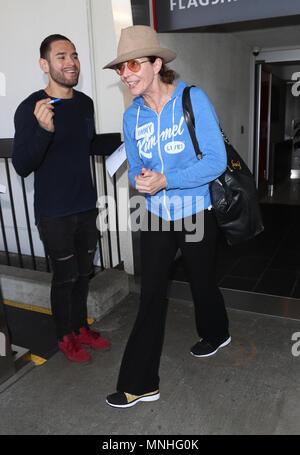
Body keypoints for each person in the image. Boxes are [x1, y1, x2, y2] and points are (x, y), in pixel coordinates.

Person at [103, 25, 231, 408]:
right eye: (120, 69)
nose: (125, 75)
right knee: (151, 295)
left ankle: (216, 331)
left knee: (202, 281)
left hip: (195, 212)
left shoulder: (192, 99)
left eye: (132, 65)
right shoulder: (132, 117)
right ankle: (140, 383)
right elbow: (140, 166)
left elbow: (216, 160)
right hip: (157, 215)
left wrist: (168, 179)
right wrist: (145, 181)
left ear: (157, 64)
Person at [13, 34, 110, 363]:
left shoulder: (85, 104)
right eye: (61, 56)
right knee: (65, 277)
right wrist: (43, 129)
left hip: (86, 206)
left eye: (75, 55)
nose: (71, 62)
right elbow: (22, 165)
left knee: (85, 274)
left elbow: (87, 145)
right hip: (54, 212)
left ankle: (81, 328)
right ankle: (64, 336)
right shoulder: (31, 108)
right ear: (45, 64)